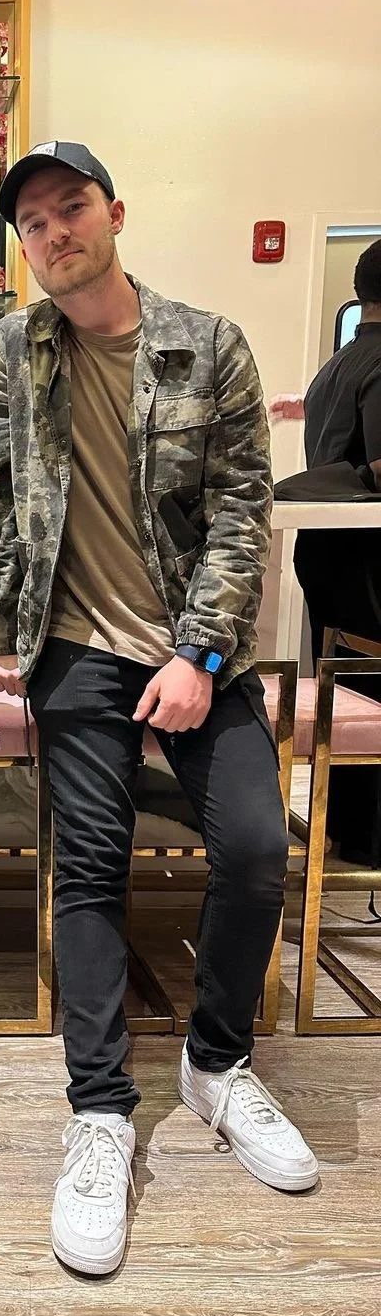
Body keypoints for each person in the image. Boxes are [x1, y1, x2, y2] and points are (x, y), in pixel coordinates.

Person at [0, 142, 318, 1276]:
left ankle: (217, 1065)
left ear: (114, 214)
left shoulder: (207, 343)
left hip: (196, 656)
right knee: (89, 868)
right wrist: (3, 625)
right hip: (74, 655)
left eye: (69, 209)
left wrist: (201, 653)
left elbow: (240, 513)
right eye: (32, 223)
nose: (53, 234)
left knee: (259, 852)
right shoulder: (8, 354)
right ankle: (101, 1112)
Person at [272, 238, 381, 862]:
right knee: (369, 690)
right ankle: (368, 841)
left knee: (347, 690)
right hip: (369, 560)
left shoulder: (340, 364)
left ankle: (349, 827)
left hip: (330, 554)